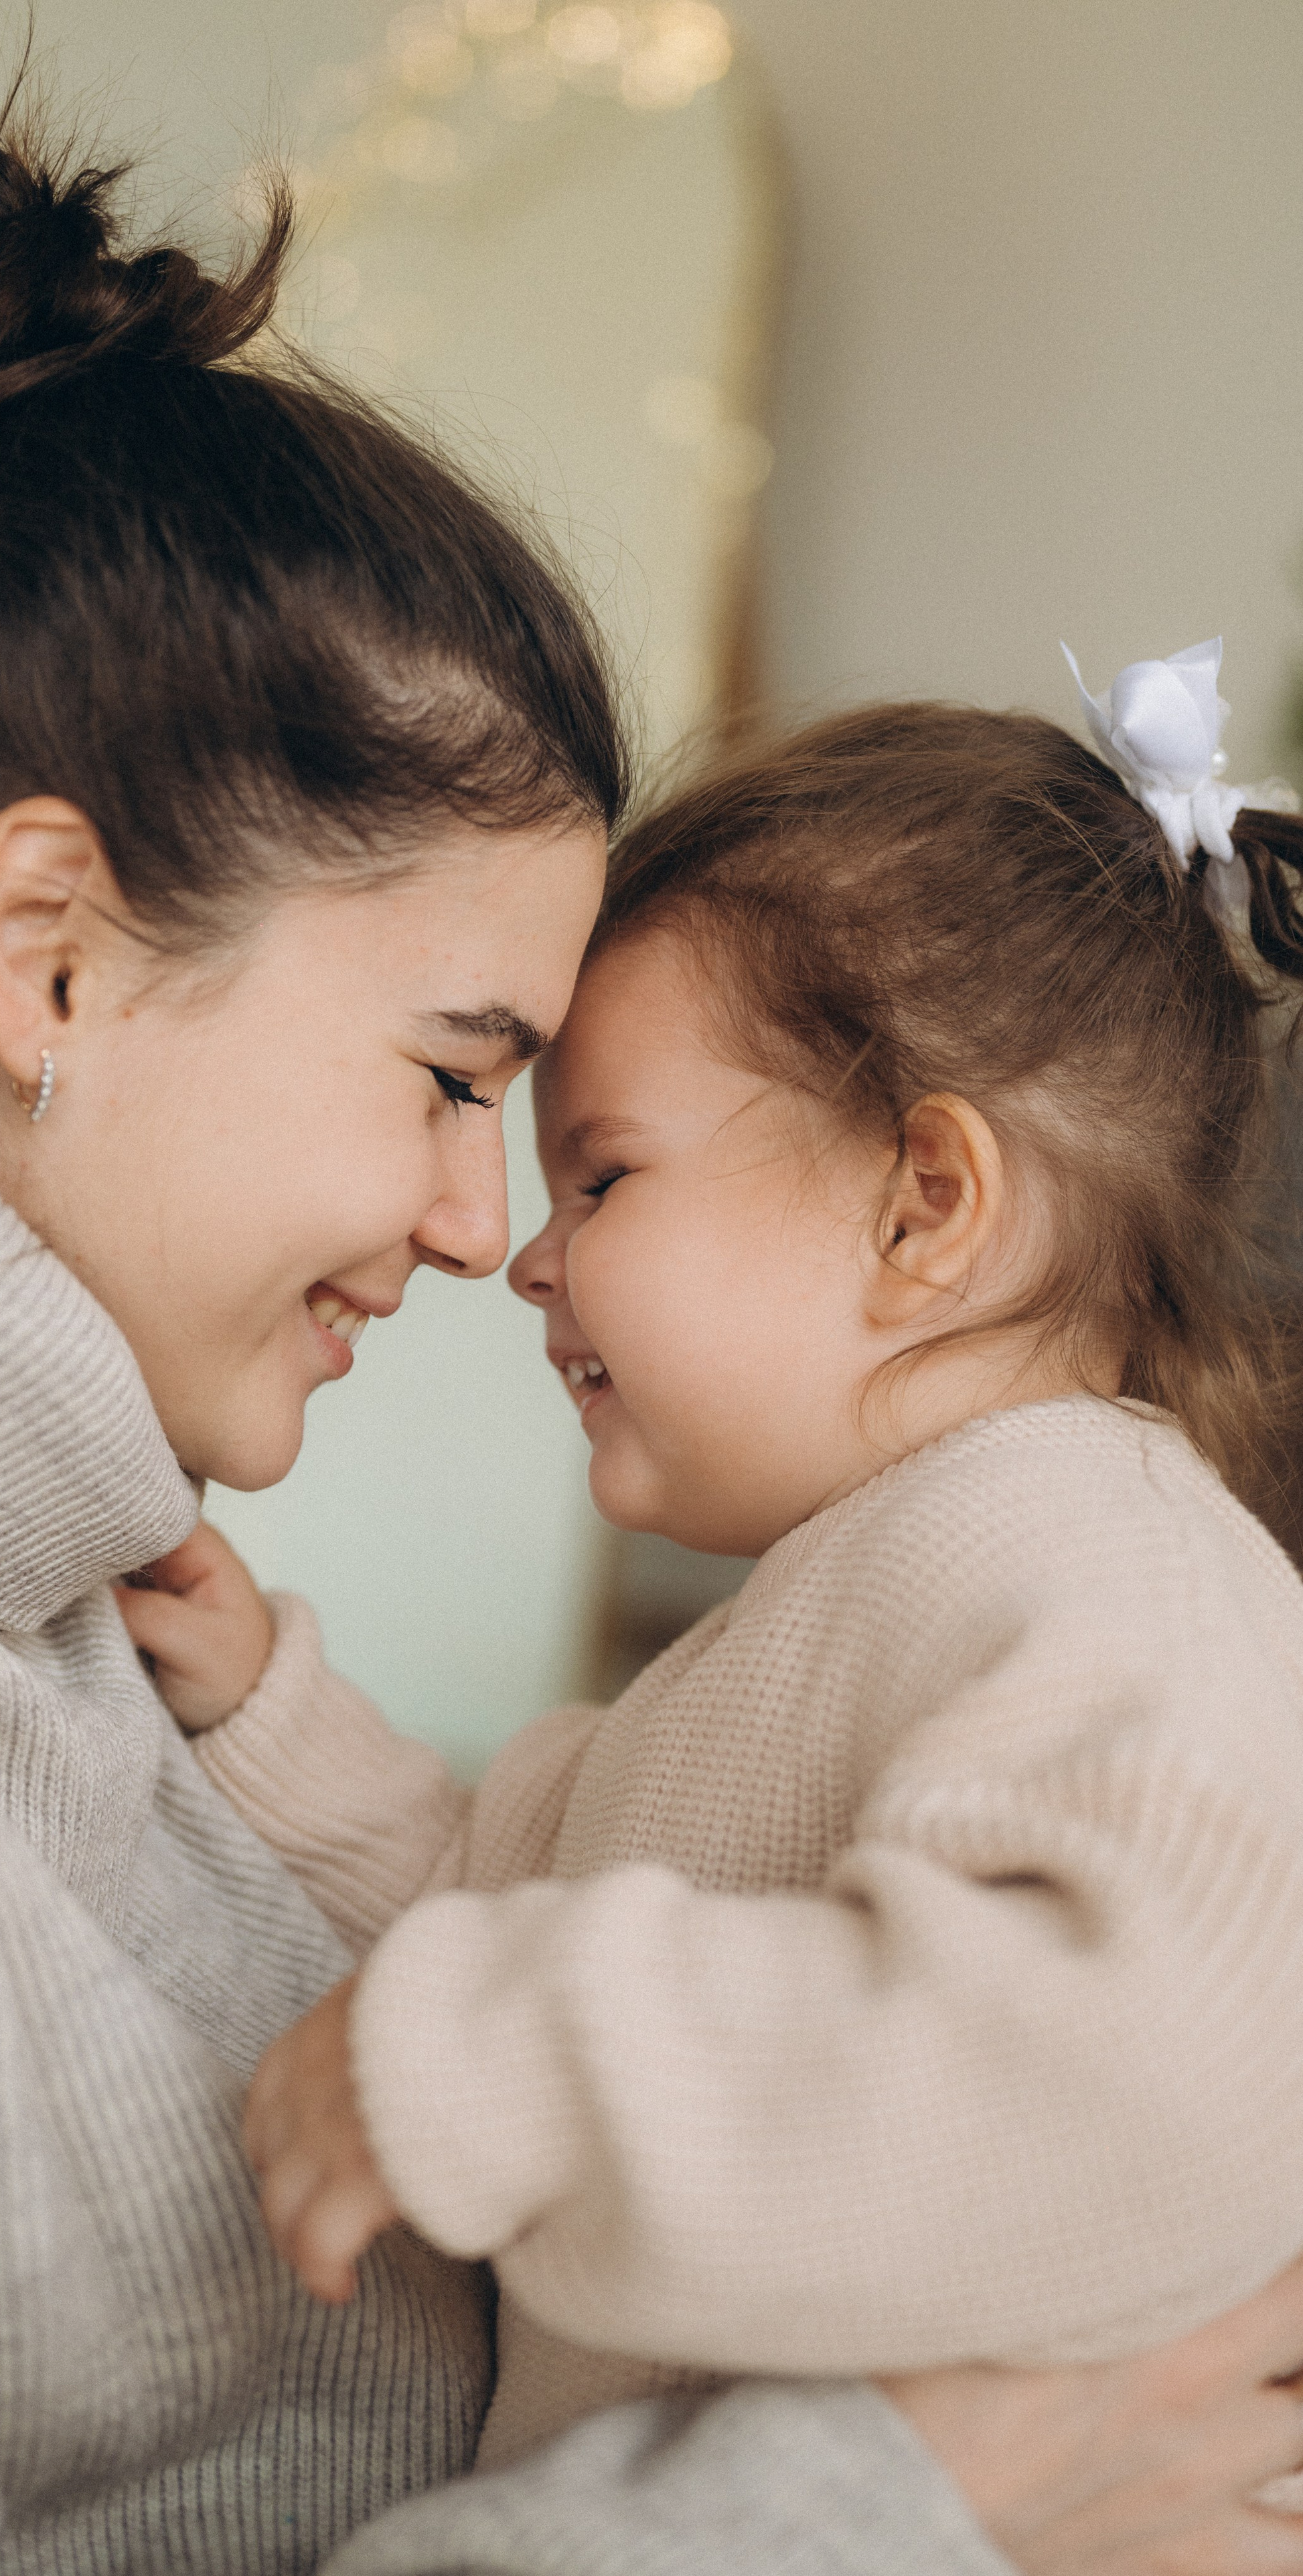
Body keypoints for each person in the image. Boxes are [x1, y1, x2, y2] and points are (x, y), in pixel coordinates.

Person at [0, 98, 1303, 2576]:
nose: (478, 1226)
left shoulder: (1069, 1559)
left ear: (934, 1205)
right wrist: (908, 2500)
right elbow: (548, 1884)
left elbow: (1029, 2009)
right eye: (452, 1078)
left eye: (560, 1146)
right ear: (52, 954)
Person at [121, 655, 1303, 2531]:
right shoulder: (850, 1592)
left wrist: (497, 2070)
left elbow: (1147, 2062)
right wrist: (265, 1703)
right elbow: (496, 1890)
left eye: (601, 1176)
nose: (522, 1253)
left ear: (926, 1206)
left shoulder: (1098, 1557)